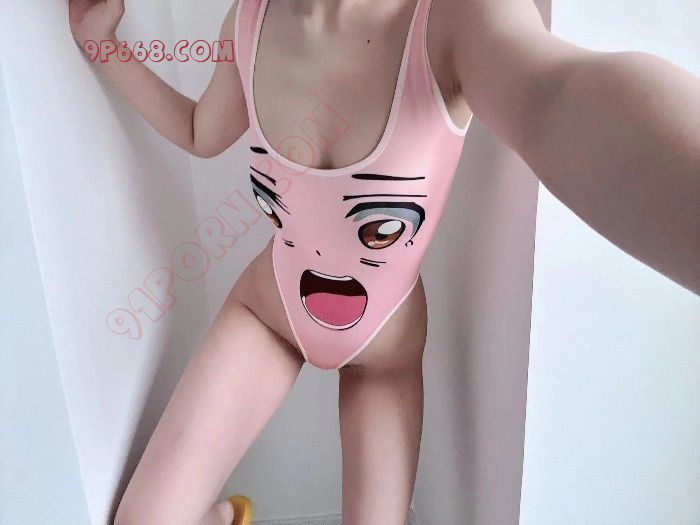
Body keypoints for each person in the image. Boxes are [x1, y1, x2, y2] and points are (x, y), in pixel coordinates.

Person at [68, 0, 699, 523]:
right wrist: (102, 44)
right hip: (268, 310)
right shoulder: (249, 18)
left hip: (382, 348)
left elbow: (558, 97)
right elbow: (202, 132)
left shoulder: (458, 17)